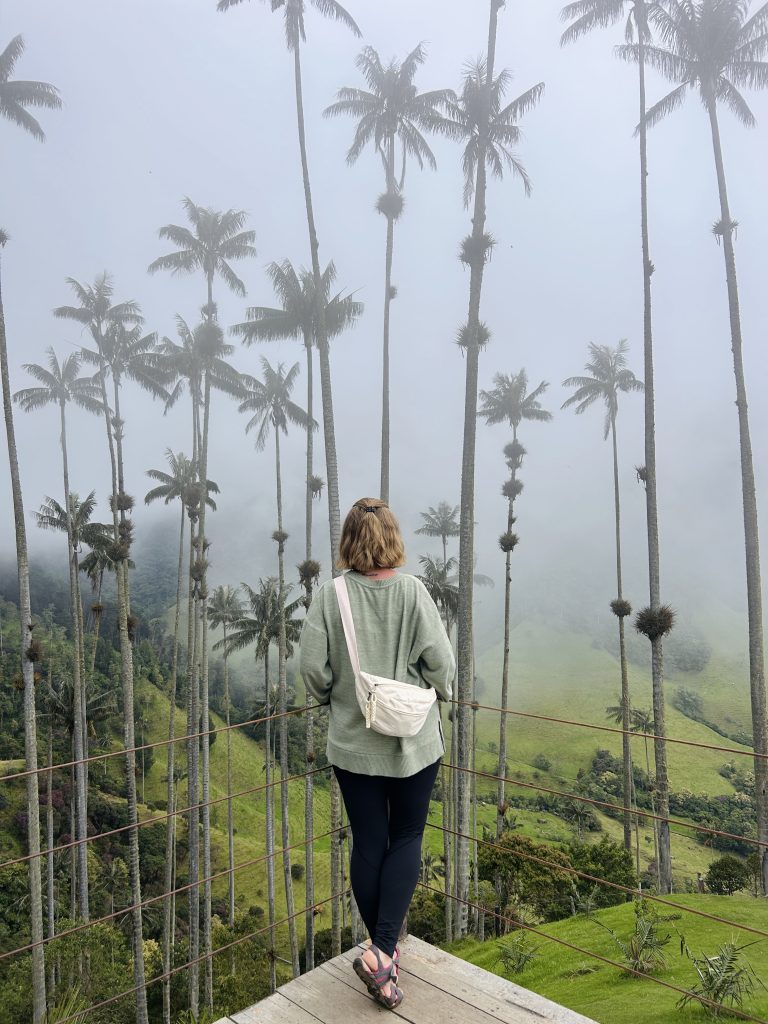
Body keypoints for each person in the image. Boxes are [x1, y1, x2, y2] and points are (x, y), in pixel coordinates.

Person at [300, 497, 455, 1009]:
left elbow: (314, 669)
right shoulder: (413, 593)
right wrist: (442, 691)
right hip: (413, 741)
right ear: (392, 538)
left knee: (369, 841)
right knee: (408, 834)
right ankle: (384, 950)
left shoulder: (332, 596)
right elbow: (439, 662)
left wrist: (333, 699)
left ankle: (381, 954)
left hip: (353, 742)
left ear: (348, 542)